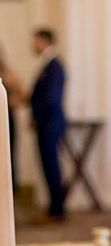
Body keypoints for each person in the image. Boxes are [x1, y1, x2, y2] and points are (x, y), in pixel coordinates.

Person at [30, 28, 67, 222]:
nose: (32, 45)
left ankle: (57, 211)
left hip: (50, 124)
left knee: (52, 166)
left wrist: (37, 114)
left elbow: (50, 98)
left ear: (44, 41)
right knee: (48, 166)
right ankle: (54, 208)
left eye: (34, 41)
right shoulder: (48, 64)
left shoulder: (54, 66)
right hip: (46, 123)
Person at [0, 47, 25, 191]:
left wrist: (10, 103)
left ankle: (9, 192)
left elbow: (23, 93)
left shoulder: (8, 74)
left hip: (6, 119)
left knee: (7, 154)